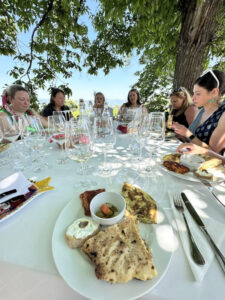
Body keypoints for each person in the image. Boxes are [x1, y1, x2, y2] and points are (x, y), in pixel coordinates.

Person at [172, 70, 225, 154]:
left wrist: (187, 133)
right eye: (194, 93)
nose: (193, 98)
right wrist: (181, 134)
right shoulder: (201, 111)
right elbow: (192, 139)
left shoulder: (222, 115)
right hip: (190, 159)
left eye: (198, 94)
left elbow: (215, 155)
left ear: (214, 92)